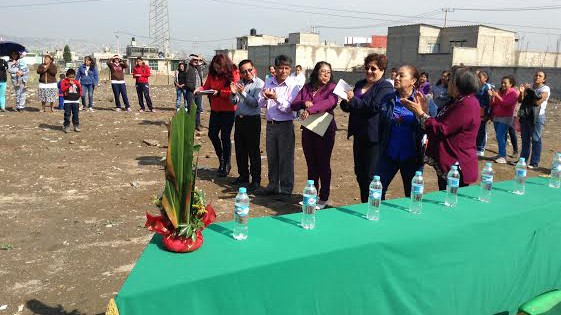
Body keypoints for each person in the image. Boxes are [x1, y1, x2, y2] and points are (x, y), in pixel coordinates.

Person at [403, 66, 481, 190]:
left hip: (456, 165)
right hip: (449, 163)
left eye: (450, 80)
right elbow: (438, 120)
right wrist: (425, 110)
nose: (447, 83)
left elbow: (441, 129)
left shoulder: (467, 104)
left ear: (457, 84)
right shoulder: (457, 101)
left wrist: (420, 113)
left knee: (452, 201)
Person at [340, 53, 394, 203]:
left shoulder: (385, 87)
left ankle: (375, 204)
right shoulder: (359, 84)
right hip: (359, 135)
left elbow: (374, 107)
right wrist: (345, 101)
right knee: (360, 173)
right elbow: (349, 106)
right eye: (367, 67)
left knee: (371, 175)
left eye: (373, 68)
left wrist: (353, 100)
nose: (369, 71)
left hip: (374, 137)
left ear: (382, 70)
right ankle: (365, 203)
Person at [290, 61, 337, 208]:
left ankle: (323, 198)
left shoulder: (332, 88)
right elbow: (294, 104)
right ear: (316, 72)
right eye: (323, 71)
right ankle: (312, 194)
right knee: (311, 163)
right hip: (309, 129)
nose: (326, 74)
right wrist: (305, 103)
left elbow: (329, 103)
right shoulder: (307, 87)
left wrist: (310, 110)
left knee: (323, 163)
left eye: (328, 72)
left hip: (325, 130)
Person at [378, 65, 425, 200]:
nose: (396, 78)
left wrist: (422, 112)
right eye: (396, 75)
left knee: (413, 195)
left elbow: (431, 125)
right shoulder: (388, 99)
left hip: (412, 157)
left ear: (413, 81)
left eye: (401, 75)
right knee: (377, 189)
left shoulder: (422, 100)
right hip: (389, 155)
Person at [257, 55, 300, 200]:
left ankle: (286, 189)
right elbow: (260, 103)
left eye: (286, 68)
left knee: (286, 159)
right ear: (275, 69)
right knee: (272, 157)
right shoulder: (269, 81)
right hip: (270, 125)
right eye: (280, 68)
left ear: (290, 69)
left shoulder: (293, 85)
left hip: (285, 125)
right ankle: (273, 185)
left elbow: (290, 108)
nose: (283, 71)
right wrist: (265, 97)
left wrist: (275, 97)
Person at [196, 54, 235, 177]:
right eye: (216, 67)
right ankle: (221, 159)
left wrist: (219, 93)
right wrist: (200, 89)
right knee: (212, 134)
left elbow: (233, 91)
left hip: (228, 110)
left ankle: (227, 164)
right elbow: (206, 86)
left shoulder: (232, 72)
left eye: (220, 67)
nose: (218, 70)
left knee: (225, 136)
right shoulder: (212, 74)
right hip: (215, 109)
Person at [230, 59, 265, 191]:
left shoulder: (259, 84)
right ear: (240, 73)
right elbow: (233, 102)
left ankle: (256, 179)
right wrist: (233, 93)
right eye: (244, 71)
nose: (248, 73)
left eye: (249, 70)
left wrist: (242, 92)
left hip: (252, 120)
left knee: (253, 151)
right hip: (239, 119)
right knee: (240, 149)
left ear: (253, 69)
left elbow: (255, 103)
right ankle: (243, 175)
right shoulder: (239, 83)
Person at [517, 70, 550, 169]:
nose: (537, 77)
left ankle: (534, 163)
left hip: (537, 117)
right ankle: (522, 160)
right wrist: (522, 92)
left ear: (544, 79)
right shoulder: (530, 87)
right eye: (536, 75)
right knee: (525, 139)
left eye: (540, 76)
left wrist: (530, 91)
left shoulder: (545, 88)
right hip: (526, 116)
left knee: (536, 139)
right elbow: (520, 100)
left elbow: (538, 102)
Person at [489, 75, 519, 164]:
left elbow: (507, 104)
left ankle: (503, 156)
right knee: (502, 137)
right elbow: (494, 103)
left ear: (511, 84)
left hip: (506, 117)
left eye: (505, 83)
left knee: (499, 136)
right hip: (497, 116)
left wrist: (497, 96)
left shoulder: (513, 93)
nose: (503, 84)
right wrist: (492, 97)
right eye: (502, 82)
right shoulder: (501, 91)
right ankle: (501, 154)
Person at [475, 70, 493, 156]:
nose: (478, 79)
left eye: (480, 77)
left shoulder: (487, 88)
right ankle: (475, 146)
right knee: (475, 129)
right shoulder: (475, 87)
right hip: (475, 111)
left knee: (481, 130)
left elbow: (489, 102)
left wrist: (488, 114)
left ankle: (480, 147)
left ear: (485, 78)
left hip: (483, 112)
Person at [60, 69, 83, 133]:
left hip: (76, 101)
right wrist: (69, 84)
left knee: (75, 114)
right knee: (67, 114)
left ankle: (76, 125)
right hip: (67, 101)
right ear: (67, 76)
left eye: (73, 77)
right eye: (70, 77)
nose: (71, 79)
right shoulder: (64, 81)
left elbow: (80, 89)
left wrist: (80, 95)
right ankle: (66, 126)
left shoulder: (76, 82)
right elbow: (62, 89)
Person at [186, 54, 205, 130]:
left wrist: (200, 58)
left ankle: (197, 125)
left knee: (198, 109)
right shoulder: (187, 67)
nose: (196, 61)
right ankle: (190, 125)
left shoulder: (198, 68)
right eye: (194, 60)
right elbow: (185, 61)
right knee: (191, 109)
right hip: (191, 92)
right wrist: (192, 57)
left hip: (199, 92)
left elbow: (205, 63)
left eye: (197, 60)